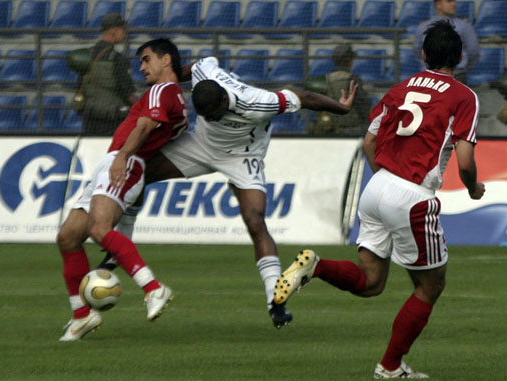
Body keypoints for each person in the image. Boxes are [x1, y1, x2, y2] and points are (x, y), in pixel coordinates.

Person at [274, 20, 485, 379]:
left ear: (423, 54)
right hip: (412, 196)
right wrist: (472, 187)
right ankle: (389, 366)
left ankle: (316, 267)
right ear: (460, 56)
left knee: (372, 282)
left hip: (377, 187)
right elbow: (465, 161)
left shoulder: (398, 89)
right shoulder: (463, 96)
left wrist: (385, 181)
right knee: (431, 286)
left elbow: (369, 142)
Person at [100, 56, 358, 329]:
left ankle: (275, 300)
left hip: (243, 156)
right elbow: (186, 69)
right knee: (139, 168)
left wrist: (341, 108)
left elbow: (305, 97)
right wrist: (164, 78)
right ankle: (119, 248)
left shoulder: (258, 102)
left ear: (225, 100)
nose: (211, 118)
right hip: (201, 145)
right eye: (206, 116)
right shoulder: (204, 73)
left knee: (255, 221)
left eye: (214, 114)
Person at [57, 38, 187, 341]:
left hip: (125, 161)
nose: (141, 67)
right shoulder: (174, 98)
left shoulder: (163, 90)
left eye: (146, 59)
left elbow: (145, 126)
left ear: (166, 60)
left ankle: (153, 288)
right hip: (115, 161)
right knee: (68, 237)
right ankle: (82, 315)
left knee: (99, 229)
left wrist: (124, 157)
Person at [77, 13, 137, 136]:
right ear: (114, 31)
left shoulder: (86, 55)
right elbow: (127, 92)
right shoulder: (117, 59)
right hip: (113, 121)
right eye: (123, 30)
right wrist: (140, 108)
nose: (125, 34)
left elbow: (80, 86)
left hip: (90, 119)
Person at [304, 44, 371, 135]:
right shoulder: (353, 79)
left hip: (328, 129)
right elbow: (363, 105)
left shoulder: (325, 80)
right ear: (349, 62)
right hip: (351, 129)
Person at [413, 0, 480, 83]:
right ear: (438, 4)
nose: (454, 4)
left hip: (457, 75)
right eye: (449, 1)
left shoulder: (464, 25)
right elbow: (417, 50)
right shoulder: (423, 26)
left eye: (454, 1)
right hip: (429, 77)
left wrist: (462, 69)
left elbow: (473, 52)